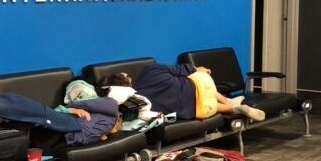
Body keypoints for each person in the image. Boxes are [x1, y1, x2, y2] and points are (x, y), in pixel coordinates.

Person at [101, 64, 265, 122]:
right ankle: (230, 101)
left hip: (199, 110)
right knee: (197, 81)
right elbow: (181, 69)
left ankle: (234, 107)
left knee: (196, 104)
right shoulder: (150, 69)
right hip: (203, 85)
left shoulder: (138, 100)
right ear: (124, 77)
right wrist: (198, 69)